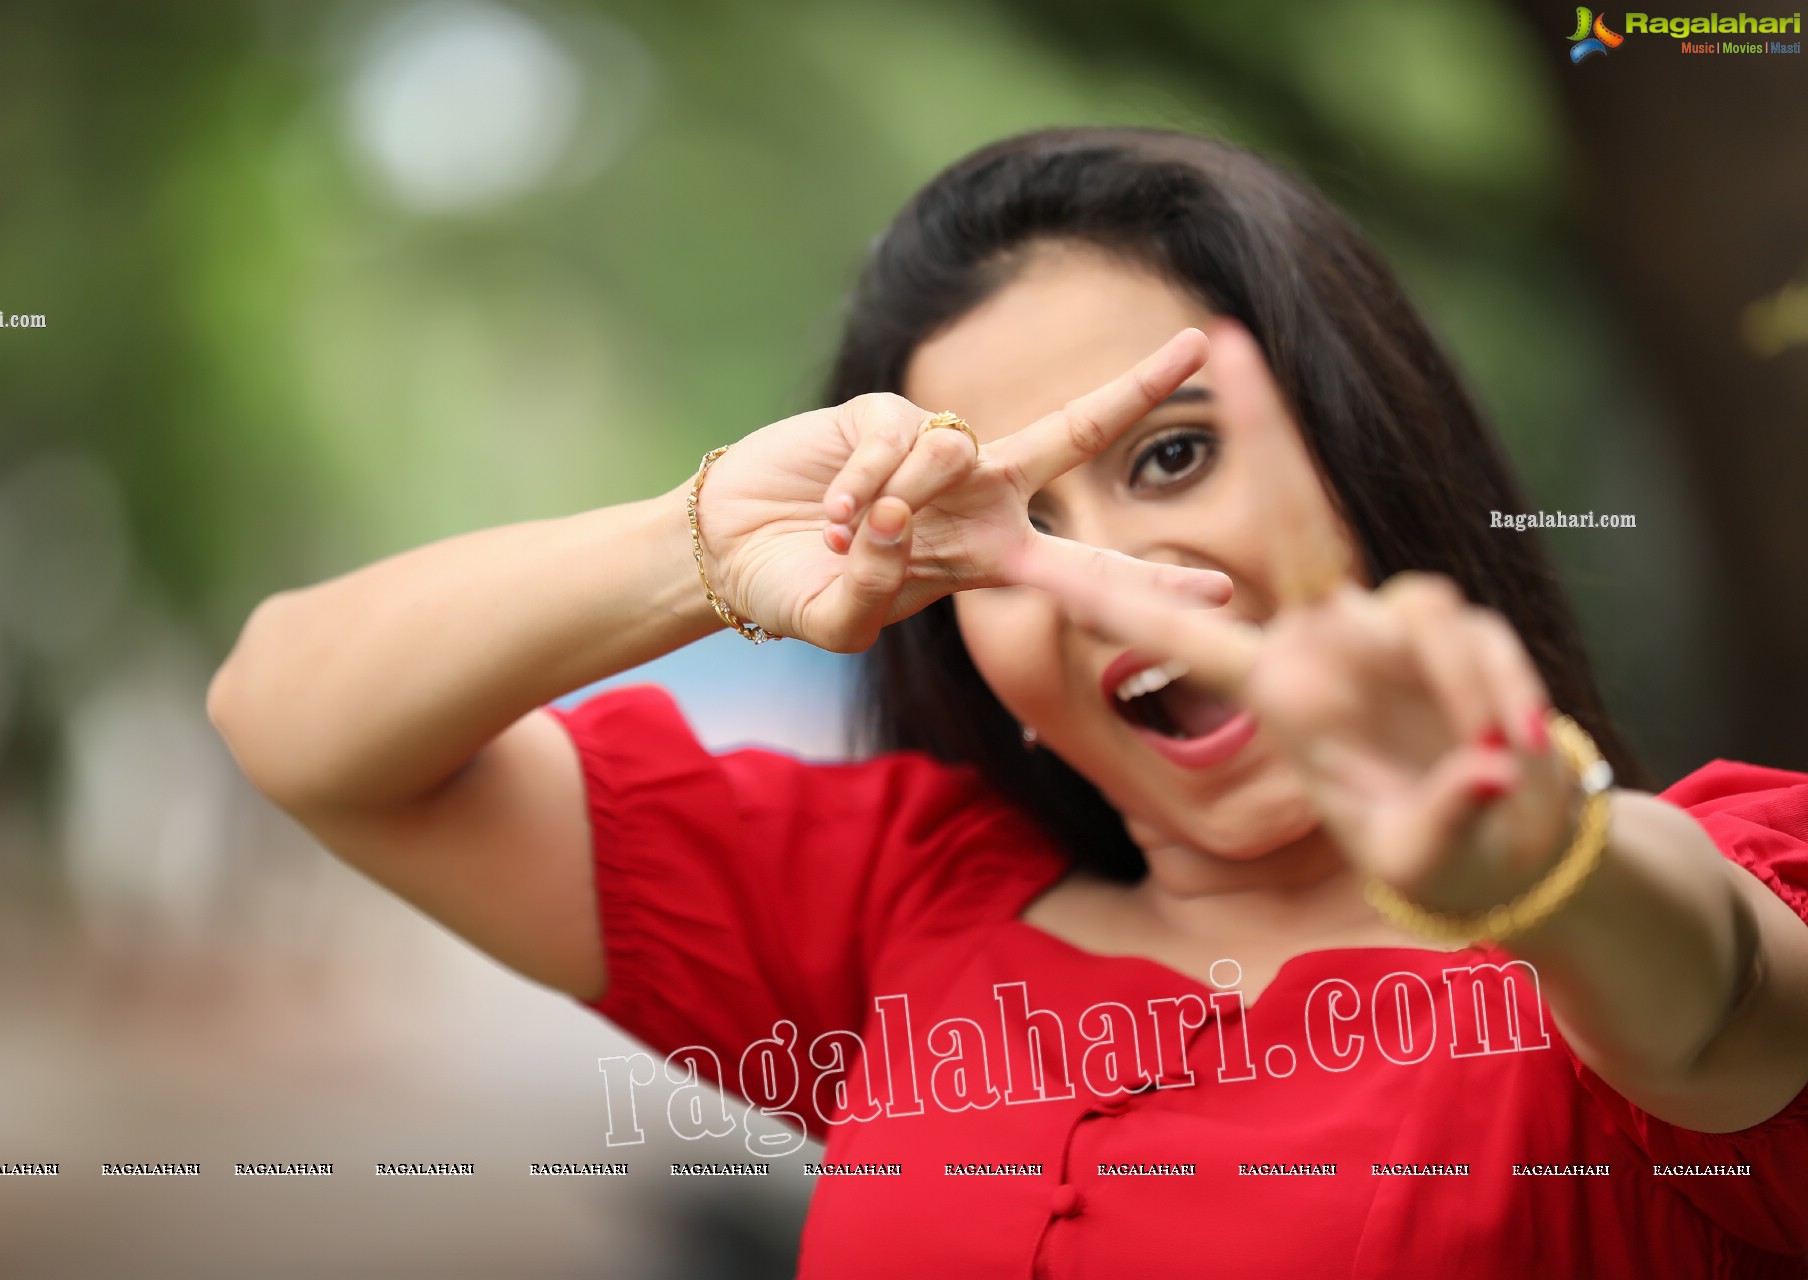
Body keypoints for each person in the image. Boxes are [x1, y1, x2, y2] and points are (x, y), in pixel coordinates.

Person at [205, 127, 1808, 1277]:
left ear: (1364, 453)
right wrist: (698, 542)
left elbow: (1732, 1003)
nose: (1109, 572)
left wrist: (1543, 855)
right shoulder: (901, 907)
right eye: (1022, 531)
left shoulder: (1631, 925)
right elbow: (292, 718)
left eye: (1173, 453)